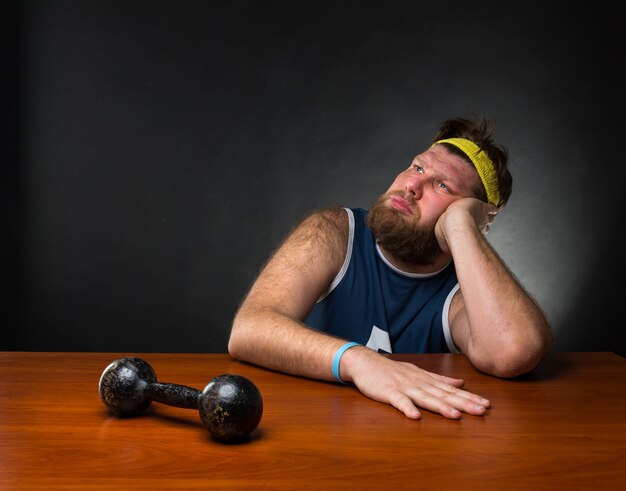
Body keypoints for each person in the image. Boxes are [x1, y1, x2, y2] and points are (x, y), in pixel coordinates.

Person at [228, 114, 553, 420]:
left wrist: (460, 226)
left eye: (443, 186)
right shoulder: (335, 231)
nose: (413, 185)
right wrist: (359, 362)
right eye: (418, 167)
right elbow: (250, 329)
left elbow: (515, 351)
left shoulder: (463, 292)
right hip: (312, 431)